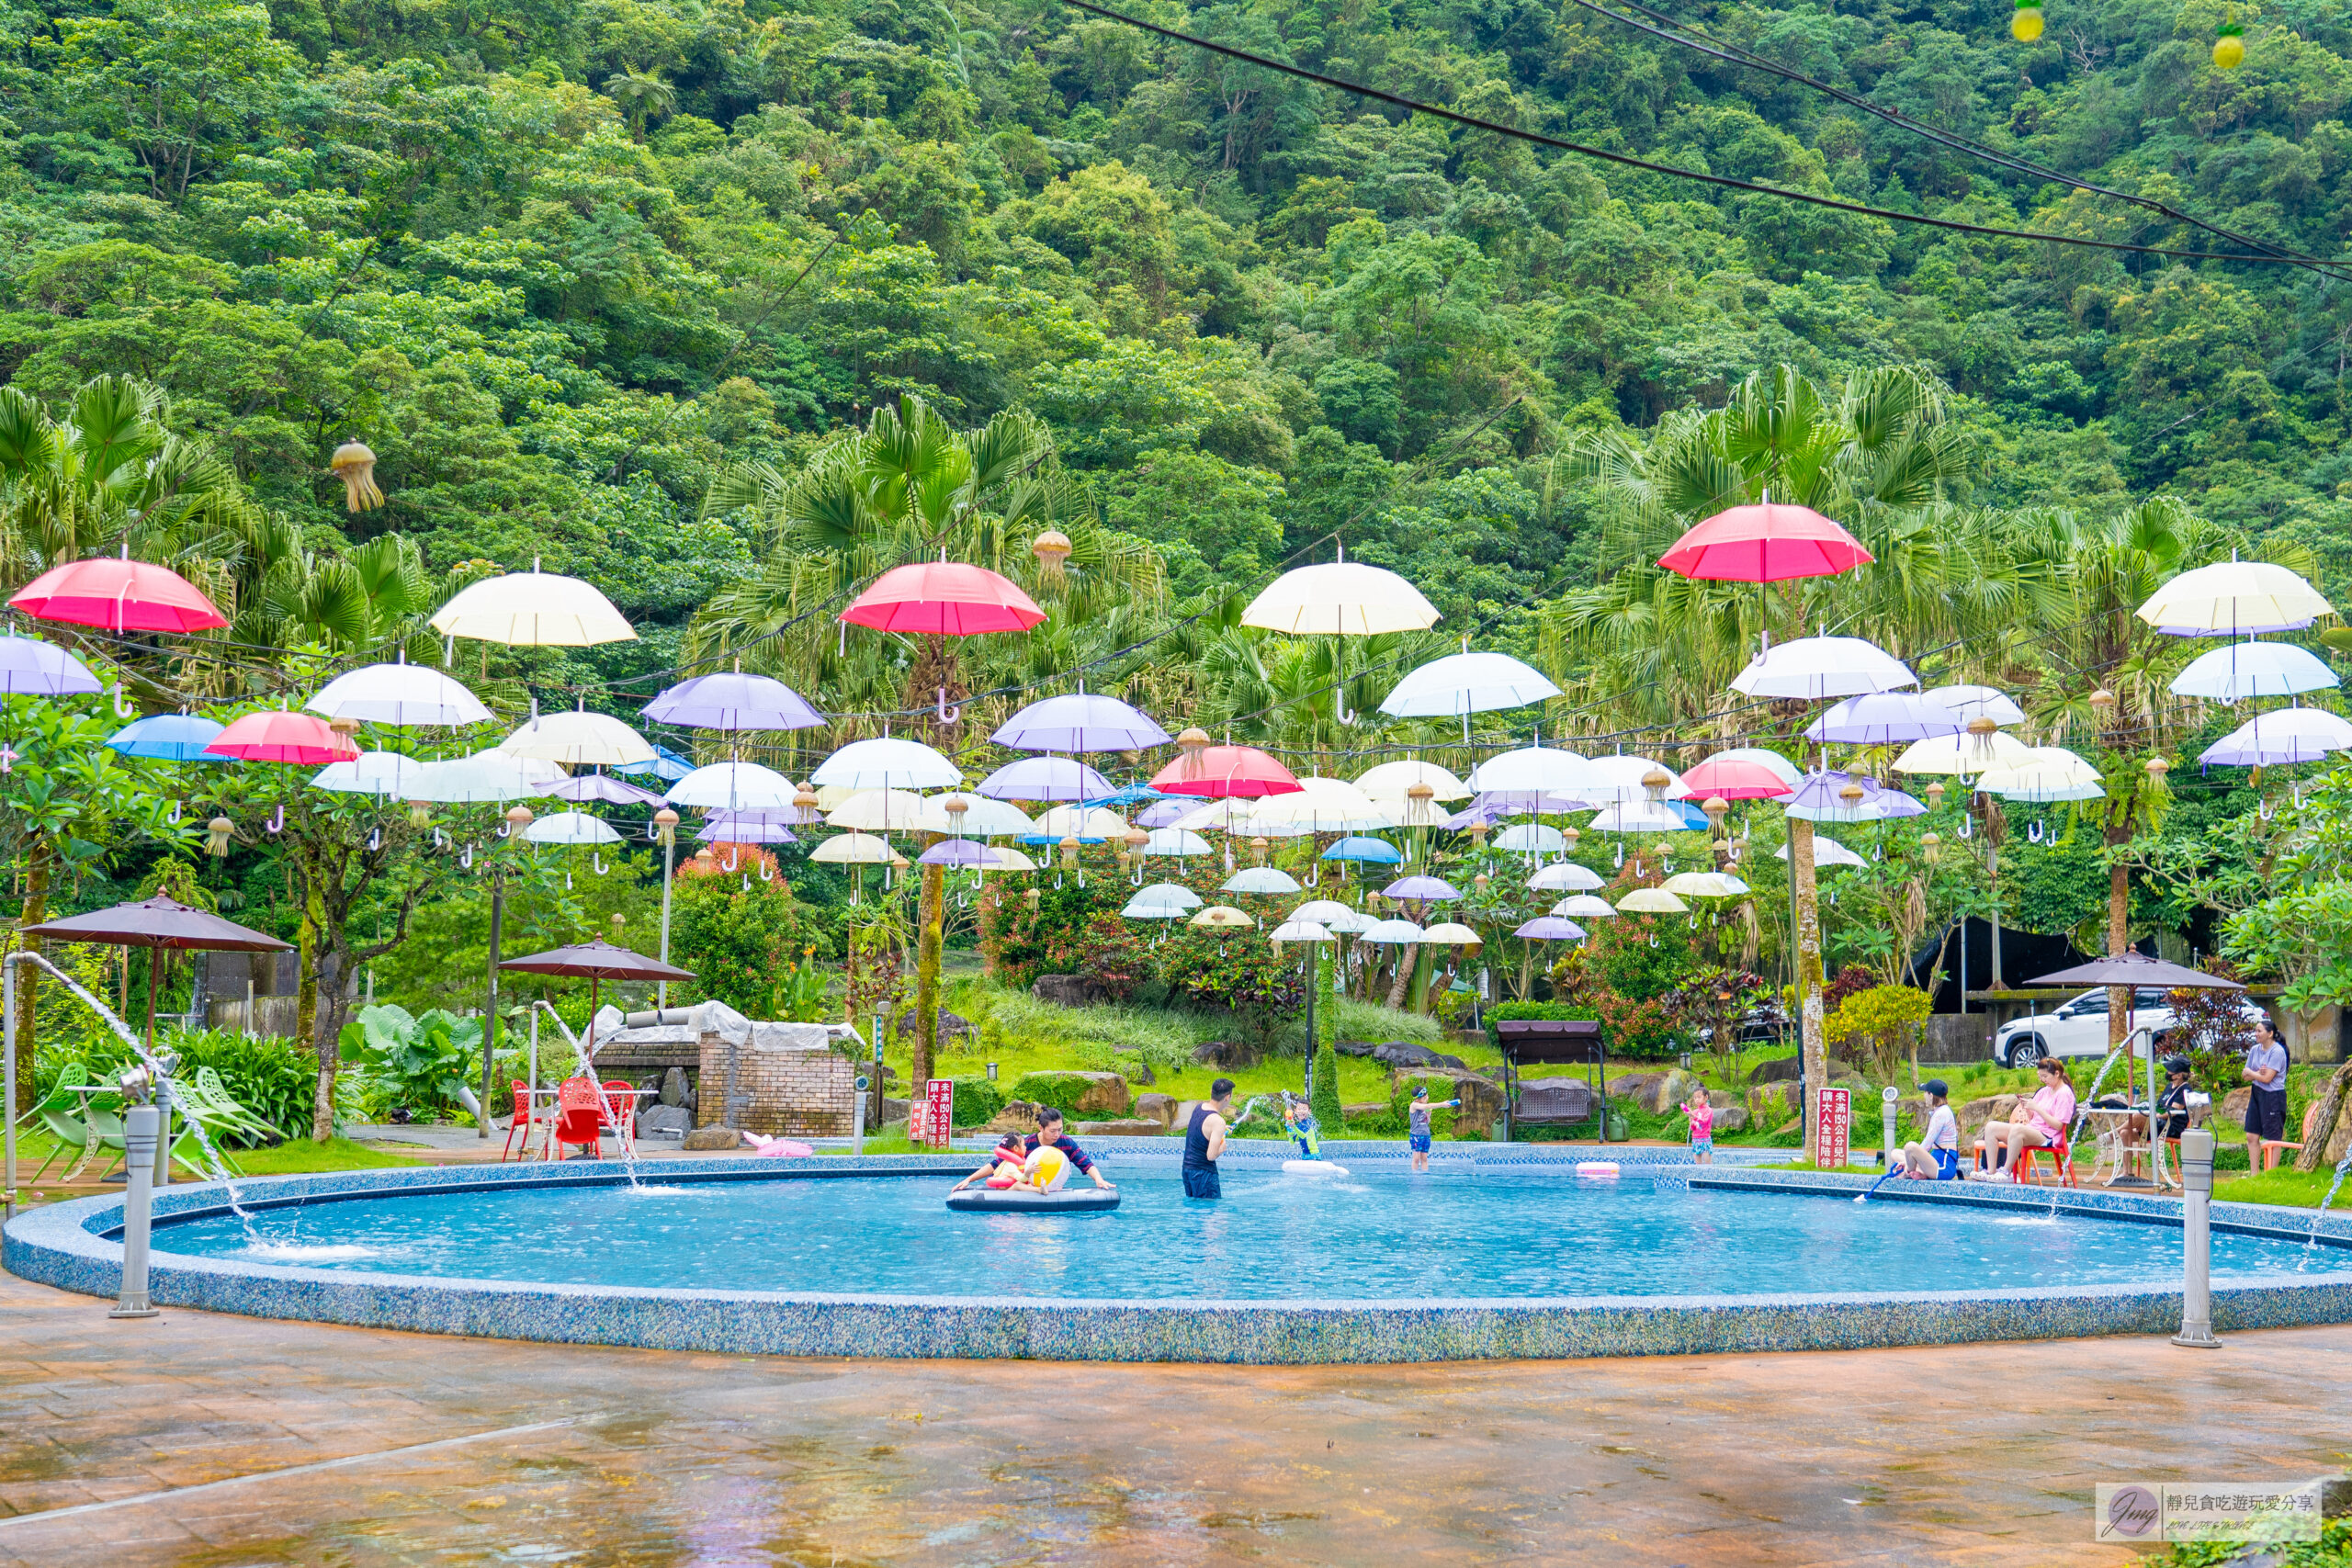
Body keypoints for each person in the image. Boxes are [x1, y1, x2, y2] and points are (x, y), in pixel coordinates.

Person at [1973, 1056, 2075, 1180]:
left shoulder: (2064, 1093)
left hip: (2049, 1136)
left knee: (2017, 1129)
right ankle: (1991, 1171)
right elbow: (2033, 1118)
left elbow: (2058, 1125)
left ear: (2057, 1074)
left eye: (2045, 1076)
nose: (2043, 1080)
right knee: (1991, 1127)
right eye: (2040, 1077)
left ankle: (2006, 1171)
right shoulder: (2044, 1091)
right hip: (2033, 1129)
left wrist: (2037, 1108)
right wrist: (2027, 1108)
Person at [1023, 1107, 1114, 1191]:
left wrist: (1098, 1178)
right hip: (1031, 1190)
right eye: (1052, 1131)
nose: (1057, 1134)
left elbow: (1085, 1162)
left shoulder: (1066, 1143)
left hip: (1057, 1190)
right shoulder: (1027, 1144)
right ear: (1041, 1128)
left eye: (1060, 1129)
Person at [2243, 1015, 2290, 1172]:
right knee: (2251, 1135)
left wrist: (2252, 1073)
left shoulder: (2277, 1051)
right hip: (2257, 1093)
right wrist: (2256, 1073)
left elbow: (2268, 1078)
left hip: (2273, 1096)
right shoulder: (2255, 1050)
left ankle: (2271, 1173)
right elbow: (2244, 1075)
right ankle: (2254, 1174)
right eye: (2255, 1031)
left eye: (2259, 1031)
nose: (2256, 1034)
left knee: (2273, 1137)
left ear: (2270, 1033)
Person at [1182, 1078, 1233, 1199]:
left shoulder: (1200, 1107)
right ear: (1227, 1097)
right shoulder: (1218, 1121)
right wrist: (1222, 1147)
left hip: (1187, 1171)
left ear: (1211, 1091)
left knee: (1195, 1213)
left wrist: (1219, 1130)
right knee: (1211, 1214)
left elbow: (1200, 1129)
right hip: (1204, 1174)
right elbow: (1211, 1156)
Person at [1900, 1079, 1960, 1180]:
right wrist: (1908, 1160)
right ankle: (1920, 1174)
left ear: (1931, 1095)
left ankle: (1909, 1173)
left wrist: (1907, 1163)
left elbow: (1927, 1144)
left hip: (1943, 1168)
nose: (1924, 1096)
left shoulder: (1942, 1113)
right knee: (1895, 1153)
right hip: (1935, 1161)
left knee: (1910, 1147)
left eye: (1925, 1093)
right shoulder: (1941, 1111)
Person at [950, 1130, 1033, 1192]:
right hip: (1005, 1193)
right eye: (1024, 1145)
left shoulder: (1012, 1163)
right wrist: (1029, 1172)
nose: (1026, 1147)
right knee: (1018, 1185)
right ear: (1016, 1148)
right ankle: (1039, 1190)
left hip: (1008, 1191)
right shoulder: (1010, 1165)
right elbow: (1022, 1179)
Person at [1408, 1084, 1461, 1173]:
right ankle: (1415, 1177)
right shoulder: (1414, 1105)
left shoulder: (1426, 1107)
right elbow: (1427, 1106)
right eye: (1424, 1098)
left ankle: (1424, 1175)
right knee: (1416, 1158)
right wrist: (1442, 1104)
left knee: (1424, 1158)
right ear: (1417, 1099)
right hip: (1416, 1135)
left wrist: (1428, 1114)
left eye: (1427, 1097)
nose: (1426, 1099)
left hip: (1426, 1135)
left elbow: (1427, 1121)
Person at [1681, 1090, 1714, 1167]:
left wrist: (1692, 1115)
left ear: (1706, 1097)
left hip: (1705, 1139)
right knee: (1698, 1165)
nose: (1696, 1099)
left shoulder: (1709, 1110)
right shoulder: (1695, 1111)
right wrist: (1690, 1117)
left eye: (1699, 1097)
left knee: (1708, 1165)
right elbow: (1693, 1128)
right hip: (1696, 1139)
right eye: (1695, 1098)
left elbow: (1704, 1121)